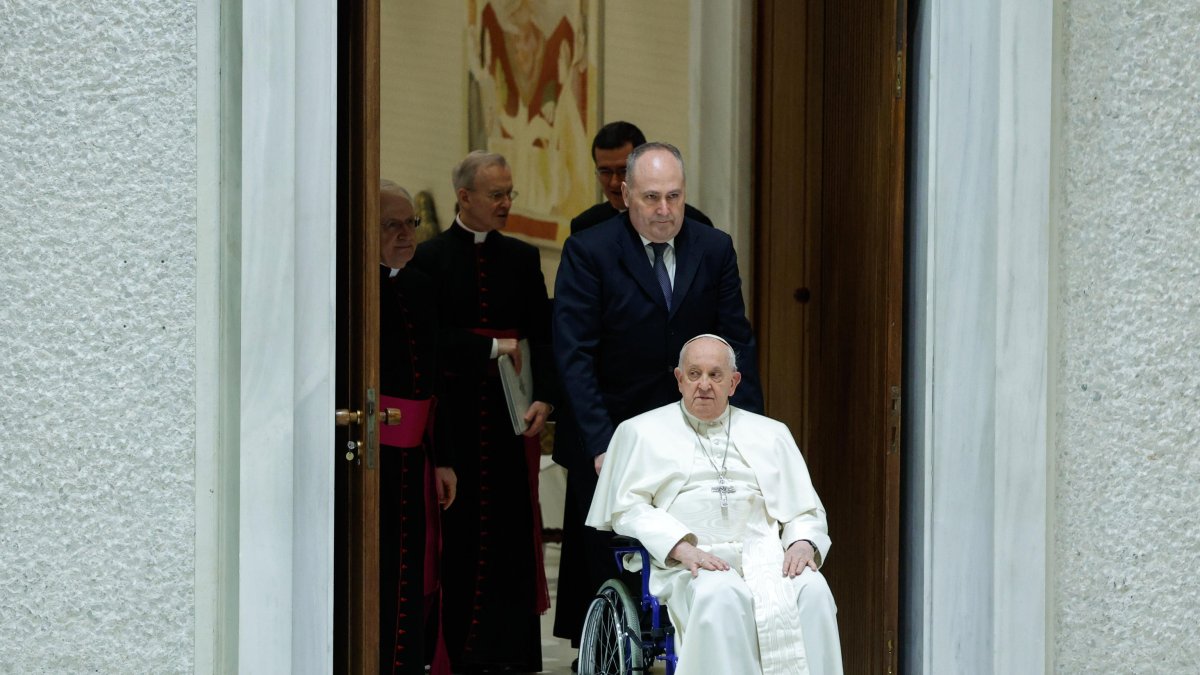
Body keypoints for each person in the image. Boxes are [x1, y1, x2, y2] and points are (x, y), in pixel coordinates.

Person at [552, 141, 765, 653]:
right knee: (617, 568)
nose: (665, 210)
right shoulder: (590, 251)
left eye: (674, 196)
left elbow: (738, 344)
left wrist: (751, 435)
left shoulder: (713, 248)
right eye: (651, 198)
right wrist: (603, 444)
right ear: (625, 195)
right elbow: (574, 355)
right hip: (613, 431)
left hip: (695, 434)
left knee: (701, 558)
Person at [586, 335, 843, 674]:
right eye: (694, 374)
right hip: (688, 562)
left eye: (715, 375)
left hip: (765, 554)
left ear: (733, 383)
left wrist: (802, 542)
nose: (703, 385)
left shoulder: (772, 433)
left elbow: (805, 510)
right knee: (721, 595)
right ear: (679, 379)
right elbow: (627, 509)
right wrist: (680, 546)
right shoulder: (640, 432)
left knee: (812, 590)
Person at [410, 151, 554, 673]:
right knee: (462, 541)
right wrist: (490, 347)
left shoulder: (521, 257)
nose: (506, 203)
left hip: (513, 418)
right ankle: (460, 653)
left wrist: (546, 398)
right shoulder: (429, 259)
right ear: (464, 196)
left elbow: (543, 331)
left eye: (510, 192)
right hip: (458, 420)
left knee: (513, 540)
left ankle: (511, 655)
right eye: (496, 194)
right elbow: (428, 341)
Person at [377, 181, 455, 674]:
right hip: (369, 457)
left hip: (416, 455)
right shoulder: (348, 286)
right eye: (392, 225)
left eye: (412, 224)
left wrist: (443, 458)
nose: (407, 234)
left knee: (415, 568)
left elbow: (435, 383)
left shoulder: (421, 286)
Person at [568, 121, 713, 235]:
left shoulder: (694, 224)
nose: (614, 182)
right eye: (605, 171)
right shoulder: (586, 226)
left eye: (623, 171)